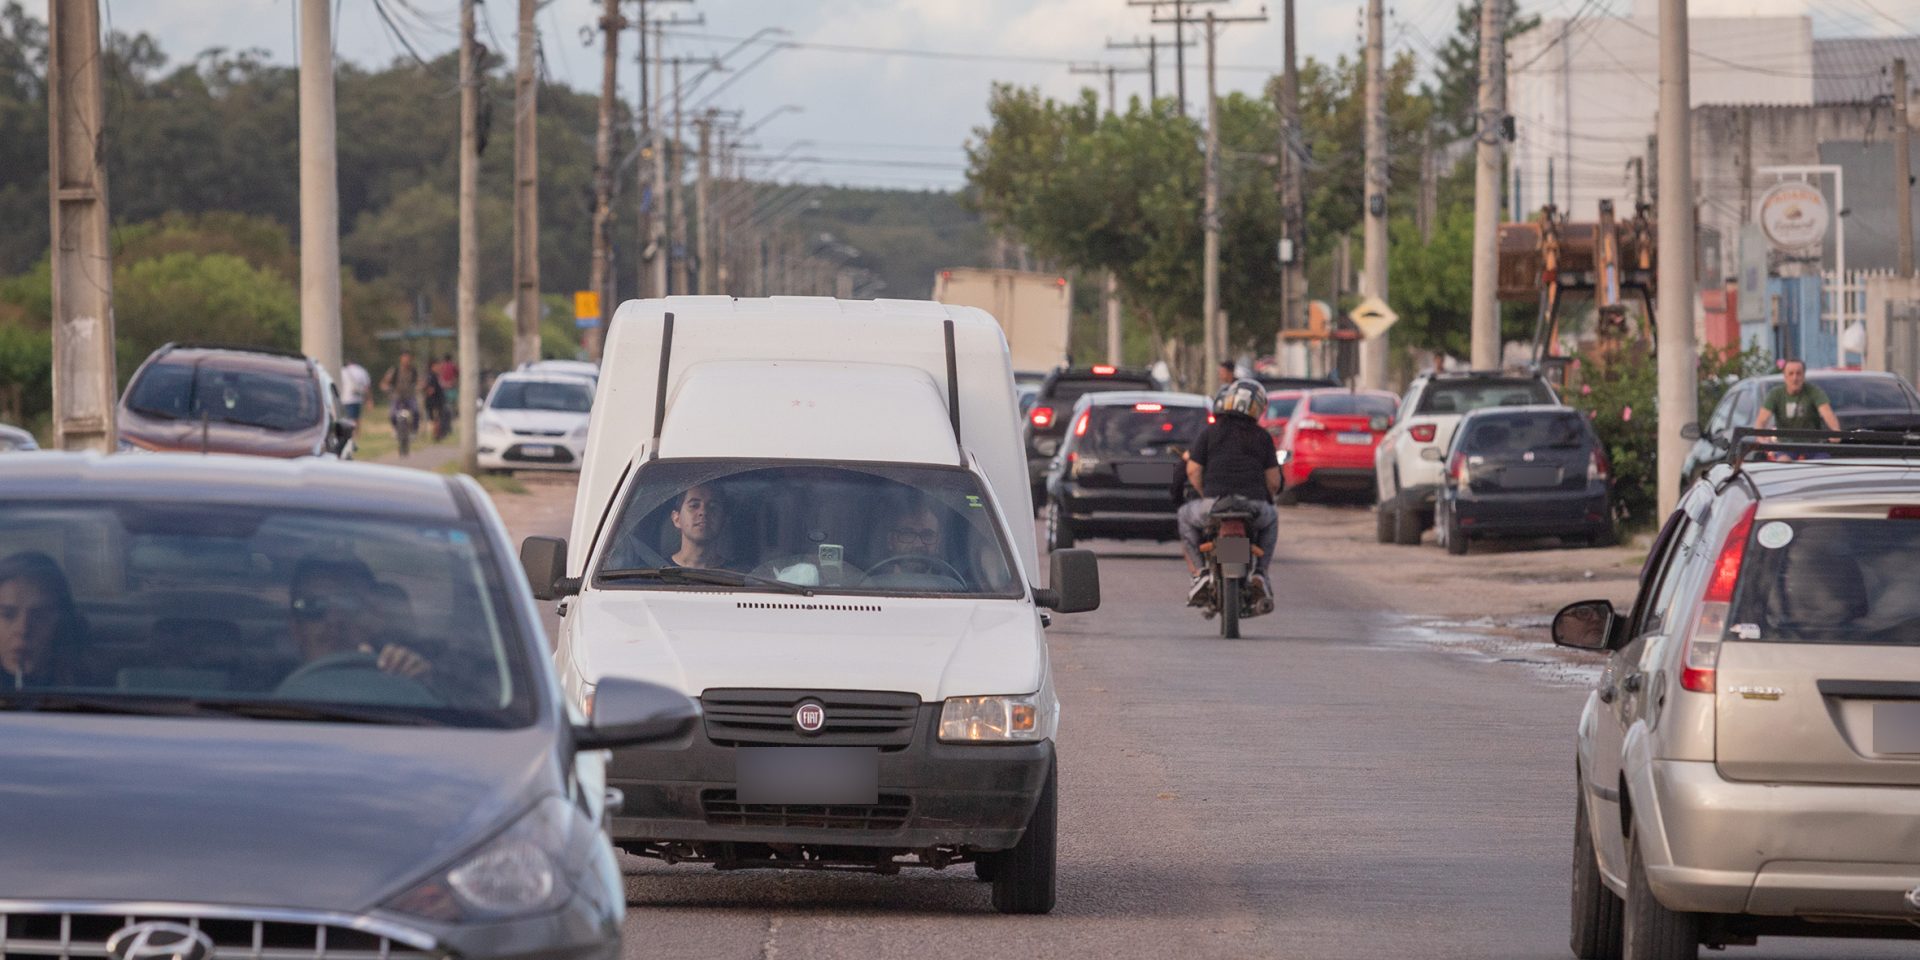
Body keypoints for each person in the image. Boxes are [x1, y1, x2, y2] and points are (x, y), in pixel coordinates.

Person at [1179, 378, 1280, 609]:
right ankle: (1260, 573)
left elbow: (1192, 470)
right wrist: (1266, 497)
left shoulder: (1210, 433)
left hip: (1215, 505)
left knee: (1185, 515)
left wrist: (1205, 495)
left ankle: (1200, 573)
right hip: (1252, 507)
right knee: (1272, 517)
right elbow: (1274, 481)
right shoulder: (1263, 437)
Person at [286, 558, 430, 680]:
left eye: (349, 604)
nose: (334, 618)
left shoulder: (399, 676)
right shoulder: (274, 697)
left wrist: (417, 684)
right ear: (296, 629)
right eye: (312, 606)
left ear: (373, 621)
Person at [0, 551, 83, 690]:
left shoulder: (95, 688)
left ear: (62, 623)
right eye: (8, 615)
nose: (23, 629)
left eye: (39, 617)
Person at [1754, 359, 1841, 432]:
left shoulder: (1814, 392)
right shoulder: (1775, 394)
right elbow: (1762, 419)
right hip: (1784, 445)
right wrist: (1761, 436)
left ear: (1803, 375)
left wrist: (1835, 430)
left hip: (1812, 444)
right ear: (1785, 376)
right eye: (1791, 373)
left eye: (1798, 373)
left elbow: (1827, 412)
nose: (1794, 378)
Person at [668, 484, 735, 569]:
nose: (703, 512)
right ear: (676, 519)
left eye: (712, 507)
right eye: (694, 505)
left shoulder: (738, 575)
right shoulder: (657, 571)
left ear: (724, 519)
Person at [380, 350, 423, 440]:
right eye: (404, 358)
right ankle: (396, 429)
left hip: (410, 396)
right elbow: (384, 382)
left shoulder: (414, 371)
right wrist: (386, 388)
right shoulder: (394, 370)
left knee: (416, 411)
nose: (406, 360)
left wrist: (419, 387)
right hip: (397, 396)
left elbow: (420, 382)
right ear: (401, 359)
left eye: (408, 358)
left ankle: (414, 431)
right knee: (392, 414)